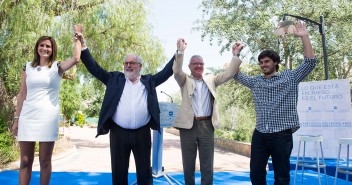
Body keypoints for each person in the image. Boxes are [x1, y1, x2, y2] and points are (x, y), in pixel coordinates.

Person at [76, 32, 175, 185]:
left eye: (132, 63)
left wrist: (179, 53)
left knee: (144, 173)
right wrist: (83, 46)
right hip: (118, 133)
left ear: (140, 66)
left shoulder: (149, 81)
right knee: (119, 171)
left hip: (142, 133)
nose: (128, 65)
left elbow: (167, 72)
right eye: (126, 63)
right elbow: (94, 68)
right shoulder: (114, 79)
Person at [233, 21, 317, 185]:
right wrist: (235, 56)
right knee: (256, 173)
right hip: (260, 134)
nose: (263, 65)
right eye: (261, 62)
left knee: (281, 176)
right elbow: (236, 75)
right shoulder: (256, 81)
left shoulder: (290, 77)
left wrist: (304, 37)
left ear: (275, 62)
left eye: (266, 61)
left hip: (281, 135)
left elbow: (310, 63)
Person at [11, 33, 81, 185]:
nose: (44, 48)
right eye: (41, 45)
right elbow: (22, 93)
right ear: (37, 48)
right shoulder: (27, 67)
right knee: (25, 160)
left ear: (52, 49)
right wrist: (16, 119)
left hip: (47, 118)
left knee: (44, 160)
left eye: (48, 46)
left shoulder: (57, 67)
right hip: (27, 117)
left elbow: (76, 58)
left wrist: (78, 39)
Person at [173, 38, 243, 185]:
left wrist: (235, 55)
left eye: (201, 63)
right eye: (195, 64)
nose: (198, 66)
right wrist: (180, 52)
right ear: (190, 66)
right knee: (188, 165)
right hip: (188, 127)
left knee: (207, 165)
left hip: (207, 126)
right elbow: (177, 71)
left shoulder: (211, 79)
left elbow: (229, 73)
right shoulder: (184, 79)